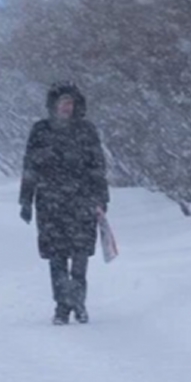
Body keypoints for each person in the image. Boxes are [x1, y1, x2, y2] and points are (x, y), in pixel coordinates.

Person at [19, 82, 110, 325]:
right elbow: (30, 167)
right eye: (62, 102)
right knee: (57, 257)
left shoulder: (86, 130)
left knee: (80, 256)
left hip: (82, 202)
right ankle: (62, 306)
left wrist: (101, 198)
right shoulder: (41, 131)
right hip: (50, 203)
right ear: (53, 105)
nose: (66, 107)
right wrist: (26, 200)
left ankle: (78, 303)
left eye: (70, 102)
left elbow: (97, 166)